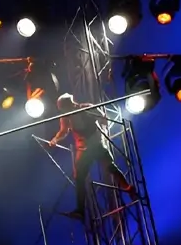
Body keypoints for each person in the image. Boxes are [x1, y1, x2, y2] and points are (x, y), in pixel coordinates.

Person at [48, 94, 137, 222]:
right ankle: (80, 210)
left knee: (109, 167)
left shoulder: (86, 107)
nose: (63, 111)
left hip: (95, 144)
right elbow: (63, 131)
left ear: (70, 104)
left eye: (63, 107)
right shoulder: (66, 117)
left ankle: (128, 187)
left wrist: (104, 130)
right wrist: (55, 139)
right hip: (85, 148)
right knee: (80, 176)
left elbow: (103, 117)